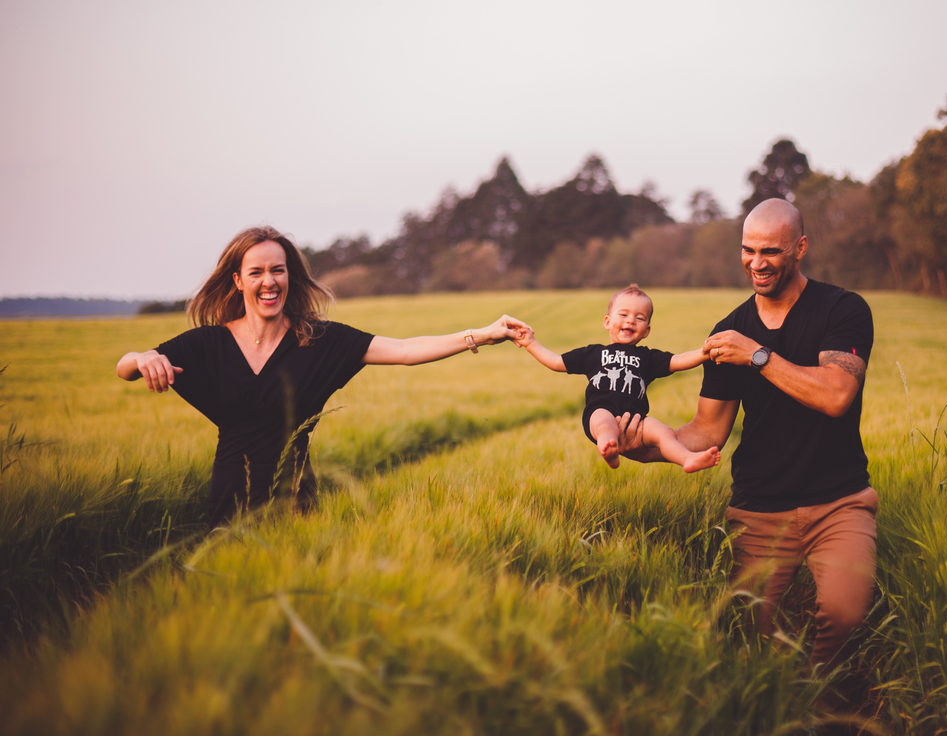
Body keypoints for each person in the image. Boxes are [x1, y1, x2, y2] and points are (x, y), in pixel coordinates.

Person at [116, 225, 527, 529]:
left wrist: (482, 335)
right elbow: (125, 369)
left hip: (296, 502)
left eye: (277, 270)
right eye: (256, 272)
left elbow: (404, 351)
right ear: (238, 281)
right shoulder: (209, 344)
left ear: (289, 276)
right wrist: (141, 357)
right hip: (229, 503)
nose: (268, 281)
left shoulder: (319, 340)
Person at [616, 199, 876, 672]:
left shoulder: (842, 309)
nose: (756, 262)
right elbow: (707, 429)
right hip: (758, 508)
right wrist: (643, 447)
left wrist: (757, 355)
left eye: (770, 251)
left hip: (839, 502)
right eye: (748, 250)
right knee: (751, 639)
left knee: (843, 614)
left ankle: (821, 697)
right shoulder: (729, 331)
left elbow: (836, 394)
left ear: (800, 248)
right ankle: (781, 701)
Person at [514, 284, 721, 473]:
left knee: (664, 432)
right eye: (623, 314)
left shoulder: (647, 357)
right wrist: (530, 343)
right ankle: (609, 448)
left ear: (646, 331)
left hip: (636, 420)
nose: (631, 320)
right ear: (607, 321)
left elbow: (678, 360)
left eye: (640, 318)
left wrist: (703, 353)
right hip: (600, 410)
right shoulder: (593, 353)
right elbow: (556, 361)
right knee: (605, 424)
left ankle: (687, 458)